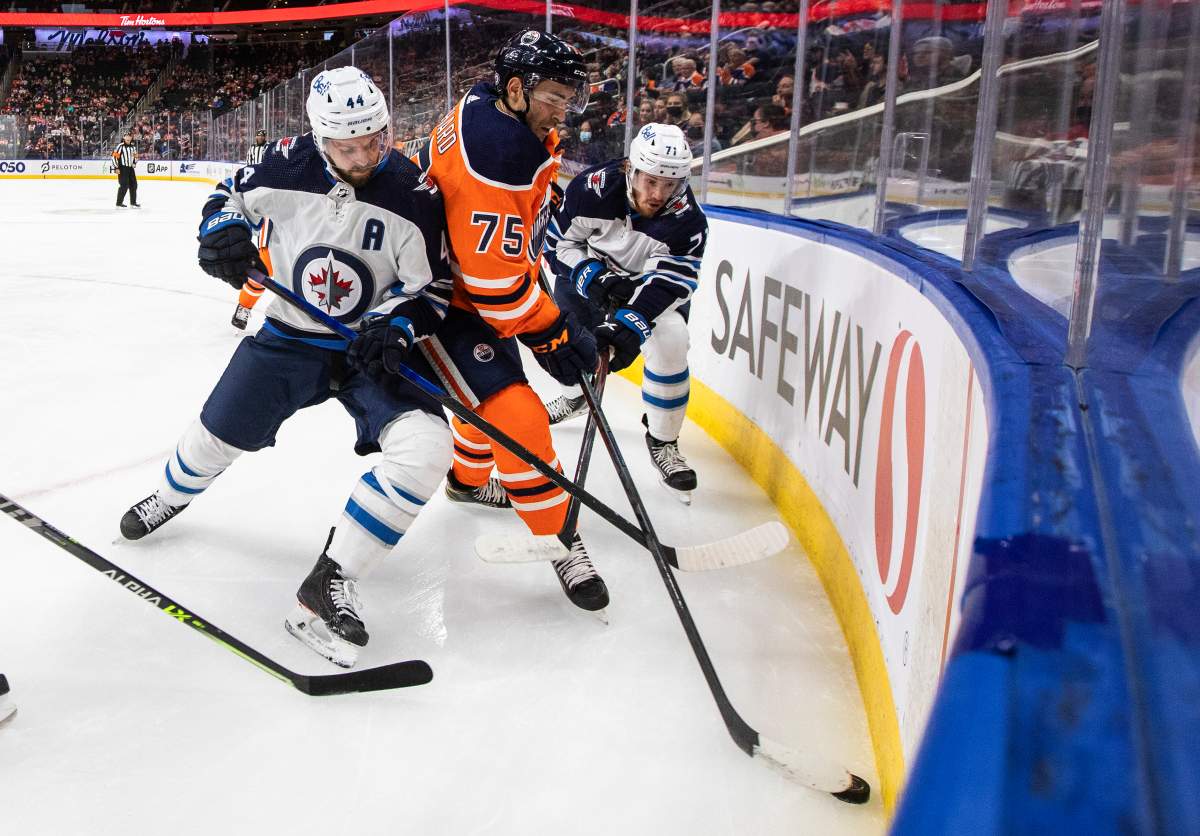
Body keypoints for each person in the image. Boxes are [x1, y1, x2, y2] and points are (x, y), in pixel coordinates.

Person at [117, 66, 456, 669]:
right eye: (345, 146)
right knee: (216, 434)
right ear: (321, 138)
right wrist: (220, 231)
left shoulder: (415, 192)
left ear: (385, 128)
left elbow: (434, 287)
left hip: (364, 348)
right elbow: (227, 200)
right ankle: (170, 495)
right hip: (288, 335)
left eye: (372, 141)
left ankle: (331, 580)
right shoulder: (282, 163)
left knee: (427, 448)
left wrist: (398, 324)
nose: (361, 156)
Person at [413, 30, 606, 612]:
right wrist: (553, 330)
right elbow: (497, 291)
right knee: (516, 413)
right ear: (517, 89)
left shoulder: (484, 103)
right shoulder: (501, 157)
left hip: (467, 282)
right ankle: (558, 536)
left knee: (483, 400)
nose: (562, 110)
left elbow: (498, 260)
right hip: (444, 301)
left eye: (569, 97)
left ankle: (468, 482)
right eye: (553, 95)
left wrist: (530, 280)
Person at [542, 123, 707, 504]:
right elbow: (555, 244)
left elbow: (674, 281)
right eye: (651, 182)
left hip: (644, 290)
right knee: (563, 346)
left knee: (671, 340)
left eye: (670, 185)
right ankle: (574, 397)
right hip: (588, 276)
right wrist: (591, 277)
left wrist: (631, 321)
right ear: (631, 168)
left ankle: (663, 441)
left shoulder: (688, 221)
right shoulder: (591, 190)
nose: (659, 195)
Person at [231, 128, 272, 330]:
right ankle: (244, 307)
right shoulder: (254, 162)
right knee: (264, 271)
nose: (259, 137)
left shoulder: (271, 155)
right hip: (272, 229)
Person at [112, 131, 139, 208]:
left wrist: (134, 162)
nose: (128, 137)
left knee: (134, 185)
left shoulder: (133, 147)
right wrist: (116, 167)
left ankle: (133, 203)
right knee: (124, 185)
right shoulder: (120, 146)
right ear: (124, 137)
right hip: (122, 168)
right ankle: (119, 203)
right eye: (126, 136)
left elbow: (136, 156)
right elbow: (114, 157)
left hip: (130, 169)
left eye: (129, 136)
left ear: (131, 137)